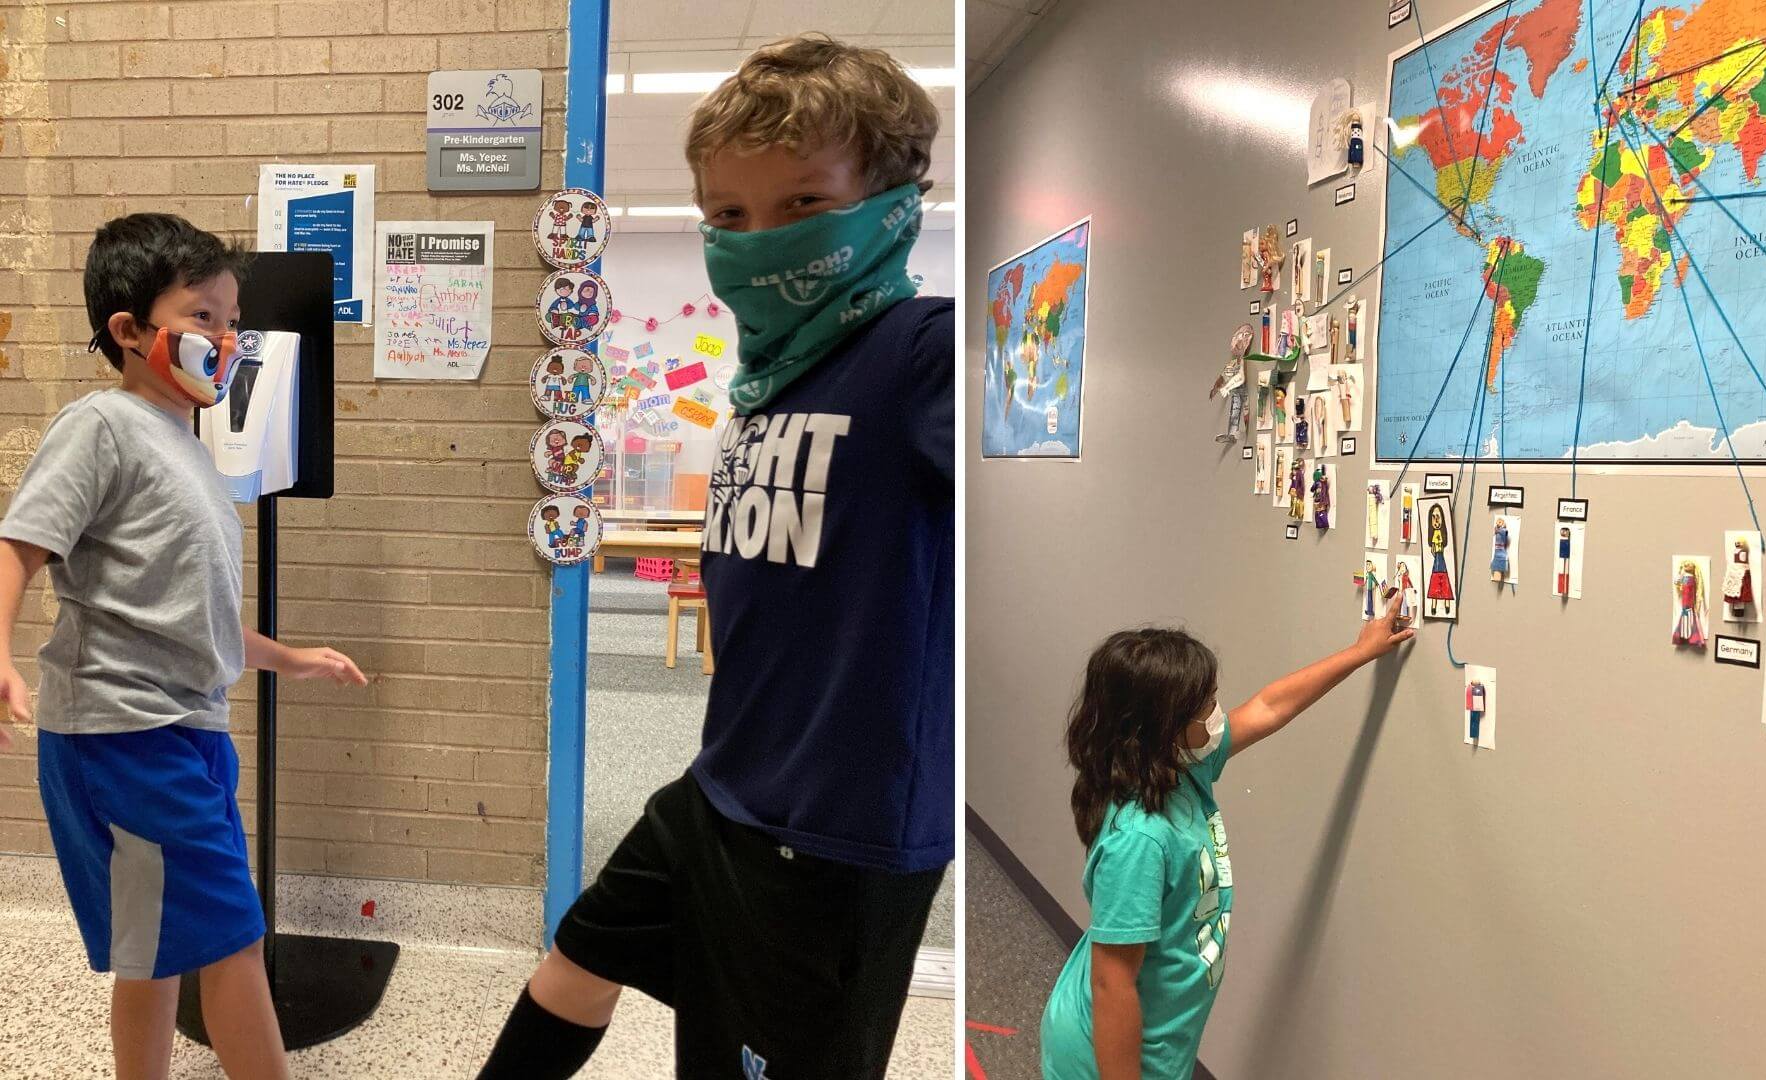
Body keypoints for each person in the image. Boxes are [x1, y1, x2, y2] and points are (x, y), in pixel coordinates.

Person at [478, 32, 950, 1080]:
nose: (761, 241)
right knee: (578, 958)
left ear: (892, 203)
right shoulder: (773, 378)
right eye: (729, 217)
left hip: (832, 841)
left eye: (804, 204)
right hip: (722, 790)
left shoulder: (919, 355)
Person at [0, 213, 368, 1080]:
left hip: (185, 733)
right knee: (232, 938)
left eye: (233, 320)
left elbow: (190, 616)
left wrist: (291, 657)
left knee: (152, 949)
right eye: (203, 317)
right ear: (130, 330)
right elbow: (18, 546)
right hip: (127, 739)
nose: (227, 338)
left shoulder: (188, 448)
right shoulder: (101, 425)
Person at [1040, 599, 1416, 1078]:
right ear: (1162, 727)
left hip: (1156, 1045)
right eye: (1206, 706)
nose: (1217, 713)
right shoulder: (1139, 841)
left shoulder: (1180, 766)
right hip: (1105, 1061)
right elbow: (1113, 986)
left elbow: (1269, 706)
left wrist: (1360, 652)